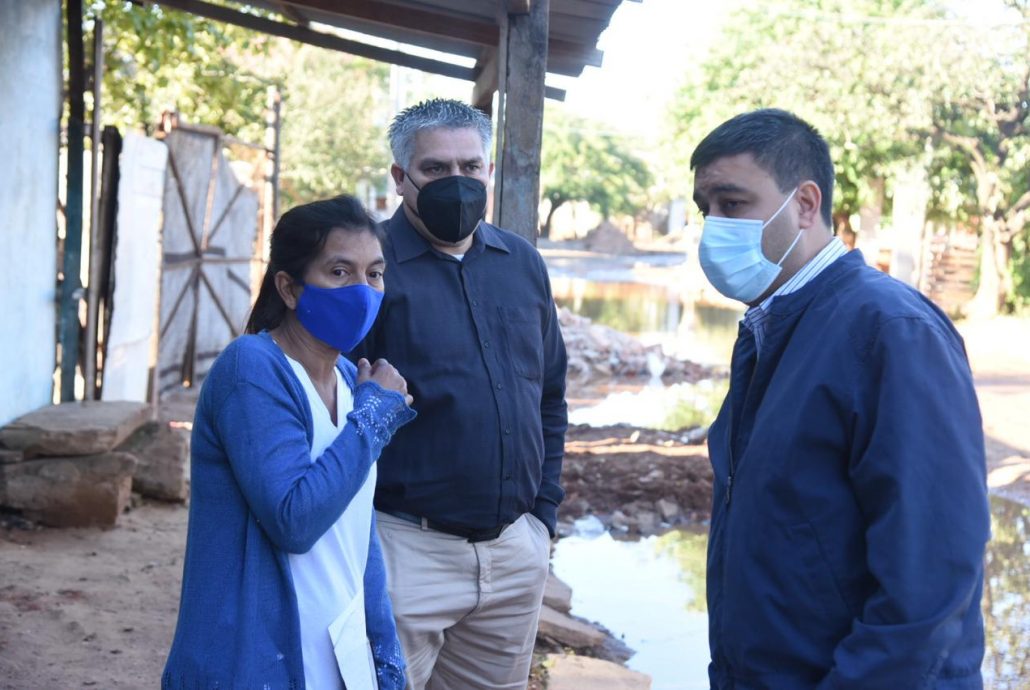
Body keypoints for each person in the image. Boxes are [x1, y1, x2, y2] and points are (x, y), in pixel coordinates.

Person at [690, 108, 990, 689]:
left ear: (805, 204)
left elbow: (930, 577)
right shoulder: (771, 326)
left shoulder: (890, 331)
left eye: (733, 203)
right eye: (706, 209)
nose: (714, 227)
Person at [351, 98, 568, 690]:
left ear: (489, 171)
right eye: (435, 169)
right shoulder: (367, 269)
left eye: (470, 167)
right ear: (400, 177)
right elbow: (331, 404)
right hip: (403, 549)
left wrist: (542, 518)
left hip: (513, 553)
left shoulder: (523, 264)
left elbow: (549, 394)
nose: (457, 181)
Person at [162, 195, 415, 690]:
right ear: (289, 287)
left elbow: (356, 534)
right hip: (259, 662)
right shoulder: (252, 368)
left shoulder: (351, 380)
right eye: (339, 272)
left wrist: (385, 654)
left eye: (374, 274)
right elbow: (293, 521)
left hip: (340, 657)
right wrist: (372, 420)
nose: (362, 291)